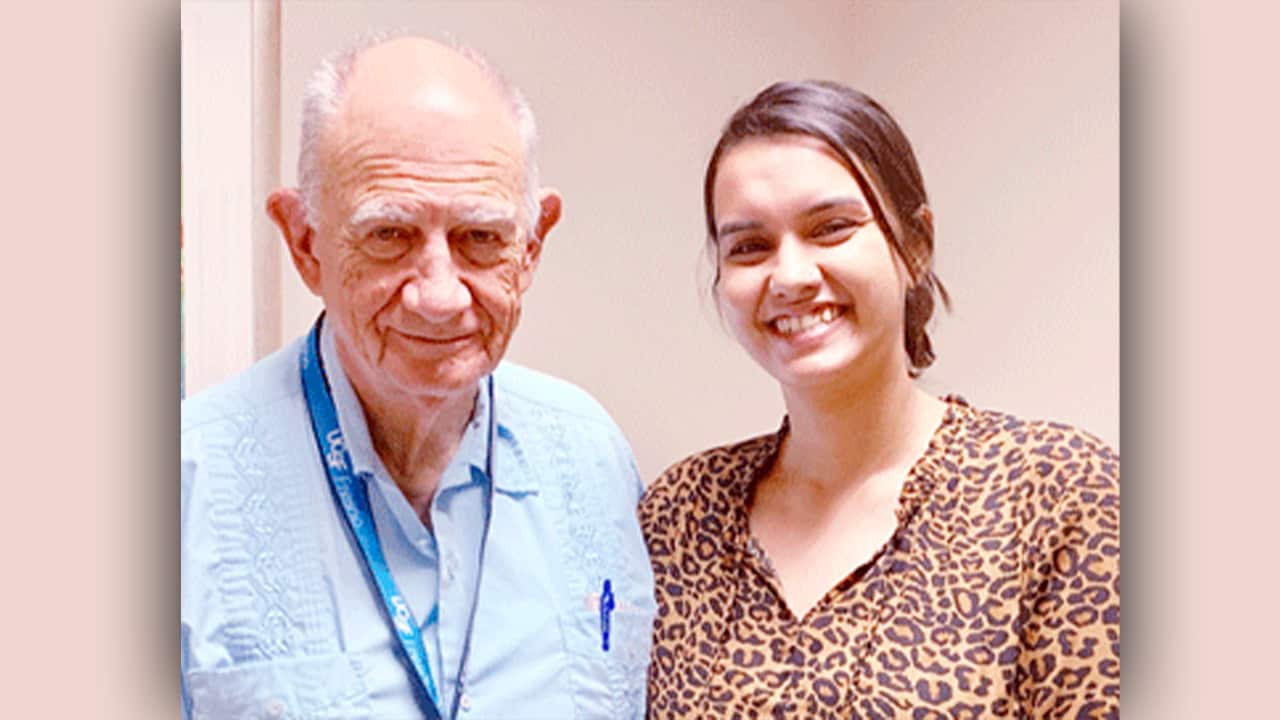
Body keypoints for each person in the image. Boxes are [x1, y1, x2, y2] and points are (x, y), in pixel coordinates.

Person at [181, 35, 654, 720]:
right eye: (389, 235)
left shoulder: (593, 460)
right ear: (305, 242)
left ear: (531, 246)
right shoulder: (187, 483)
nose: (440, 296)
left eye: (481, 238)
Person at [640, 80, 1119, 719]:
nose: (790, 277)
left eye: (831, 228)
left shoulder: (1056, 491)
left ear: (915, 245)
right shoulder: (681, 514)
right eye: (750, 246)